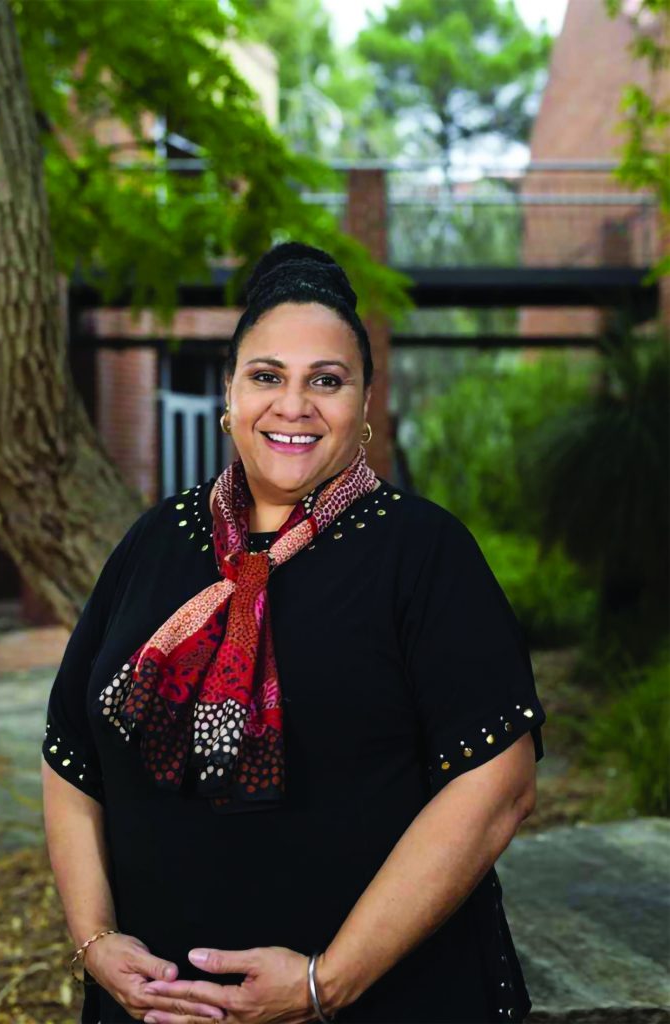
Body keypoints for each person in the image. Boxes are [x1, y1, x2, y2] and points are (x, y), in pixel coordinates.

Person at [41, 241, 547, 1024]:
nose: (293, 405)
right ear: (230, 393)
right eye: (267, 376)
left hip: (380, 1001)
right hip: (153, 1009)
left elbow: (496, 786)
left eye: (327, 380)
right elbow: (72, 752)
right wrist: (94, 938)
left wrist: (325, 983)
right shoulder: (154, 542)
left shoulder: (421, 552)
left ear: (365, 404)